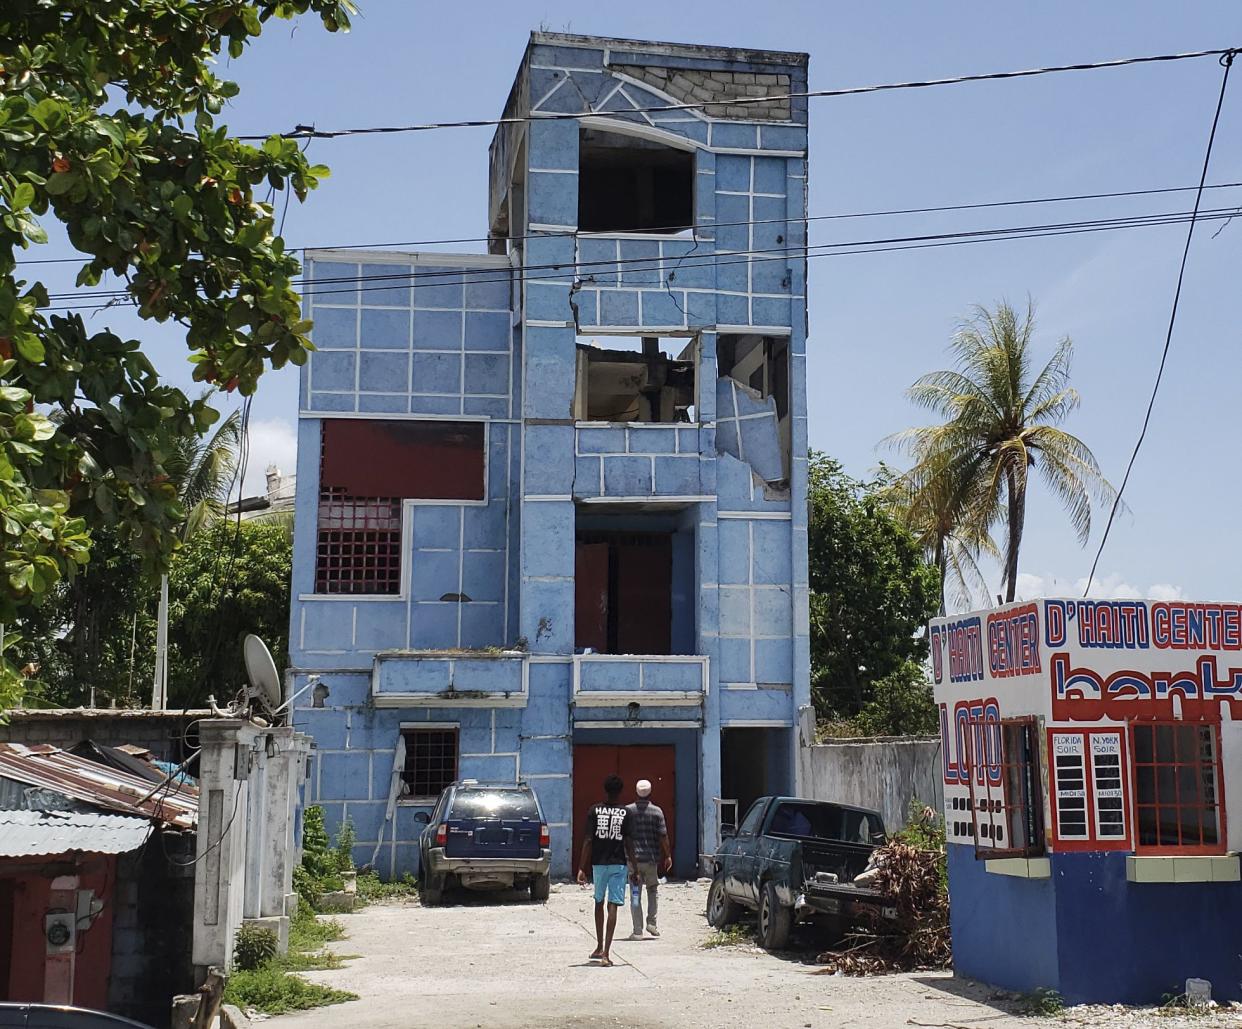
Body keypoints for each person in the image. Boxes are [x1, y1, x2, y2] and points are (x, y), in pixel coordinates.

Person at [576, 773, 635, 967]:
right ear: (620, 791)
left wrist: (581, 868)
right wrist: (634, 866)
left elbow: (588, 840)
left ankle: (599, 945)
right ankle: (606, 954)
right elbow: (628, 842)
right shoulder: (626, 813)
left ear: (605, 789)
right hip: (618, 864)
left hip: (598, 863)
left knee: (598, 902)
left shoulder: (594, 810)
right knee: (613, 905)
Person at [625, 778, 672, 940]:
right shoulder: (657, 812)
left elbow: (624, 836)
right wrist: (668, 855)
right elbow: (663, 835)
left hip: (633, 861)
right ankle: (651, 922)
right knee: (652, 890)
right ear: (650, 792)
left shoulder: (628, 811)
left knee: (635, 893)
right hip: (651, 860)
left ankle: (637, 931)